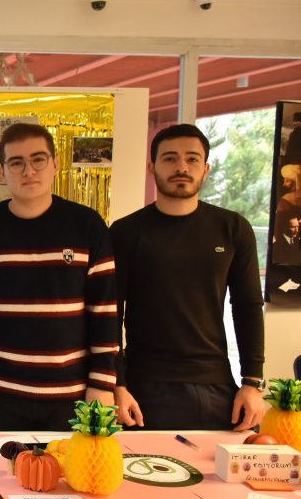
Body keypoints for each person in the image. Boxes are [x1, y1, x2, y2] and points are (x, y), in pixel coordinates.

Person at [0, 122, 118, 431]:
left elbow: (104, 313)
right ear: (2, 171)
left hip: (71, 397)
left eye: (38, 159)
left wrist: (102, 384)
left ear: (55, 164)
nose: (28, 171)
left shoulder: (87, 226)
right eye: (16, 162)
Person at [110, 123, 265, 431]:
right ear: (152, 168)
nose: (181, 167)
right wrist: (117, 384)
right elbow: (111, 313)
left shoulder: (233, 228)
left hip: (217, 383)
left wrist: (252, 382)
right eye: (170, 158)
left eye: (192, 159)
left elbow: (247, 307)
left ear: (206, 169)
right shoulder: (125, 232)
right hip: (144, 387)